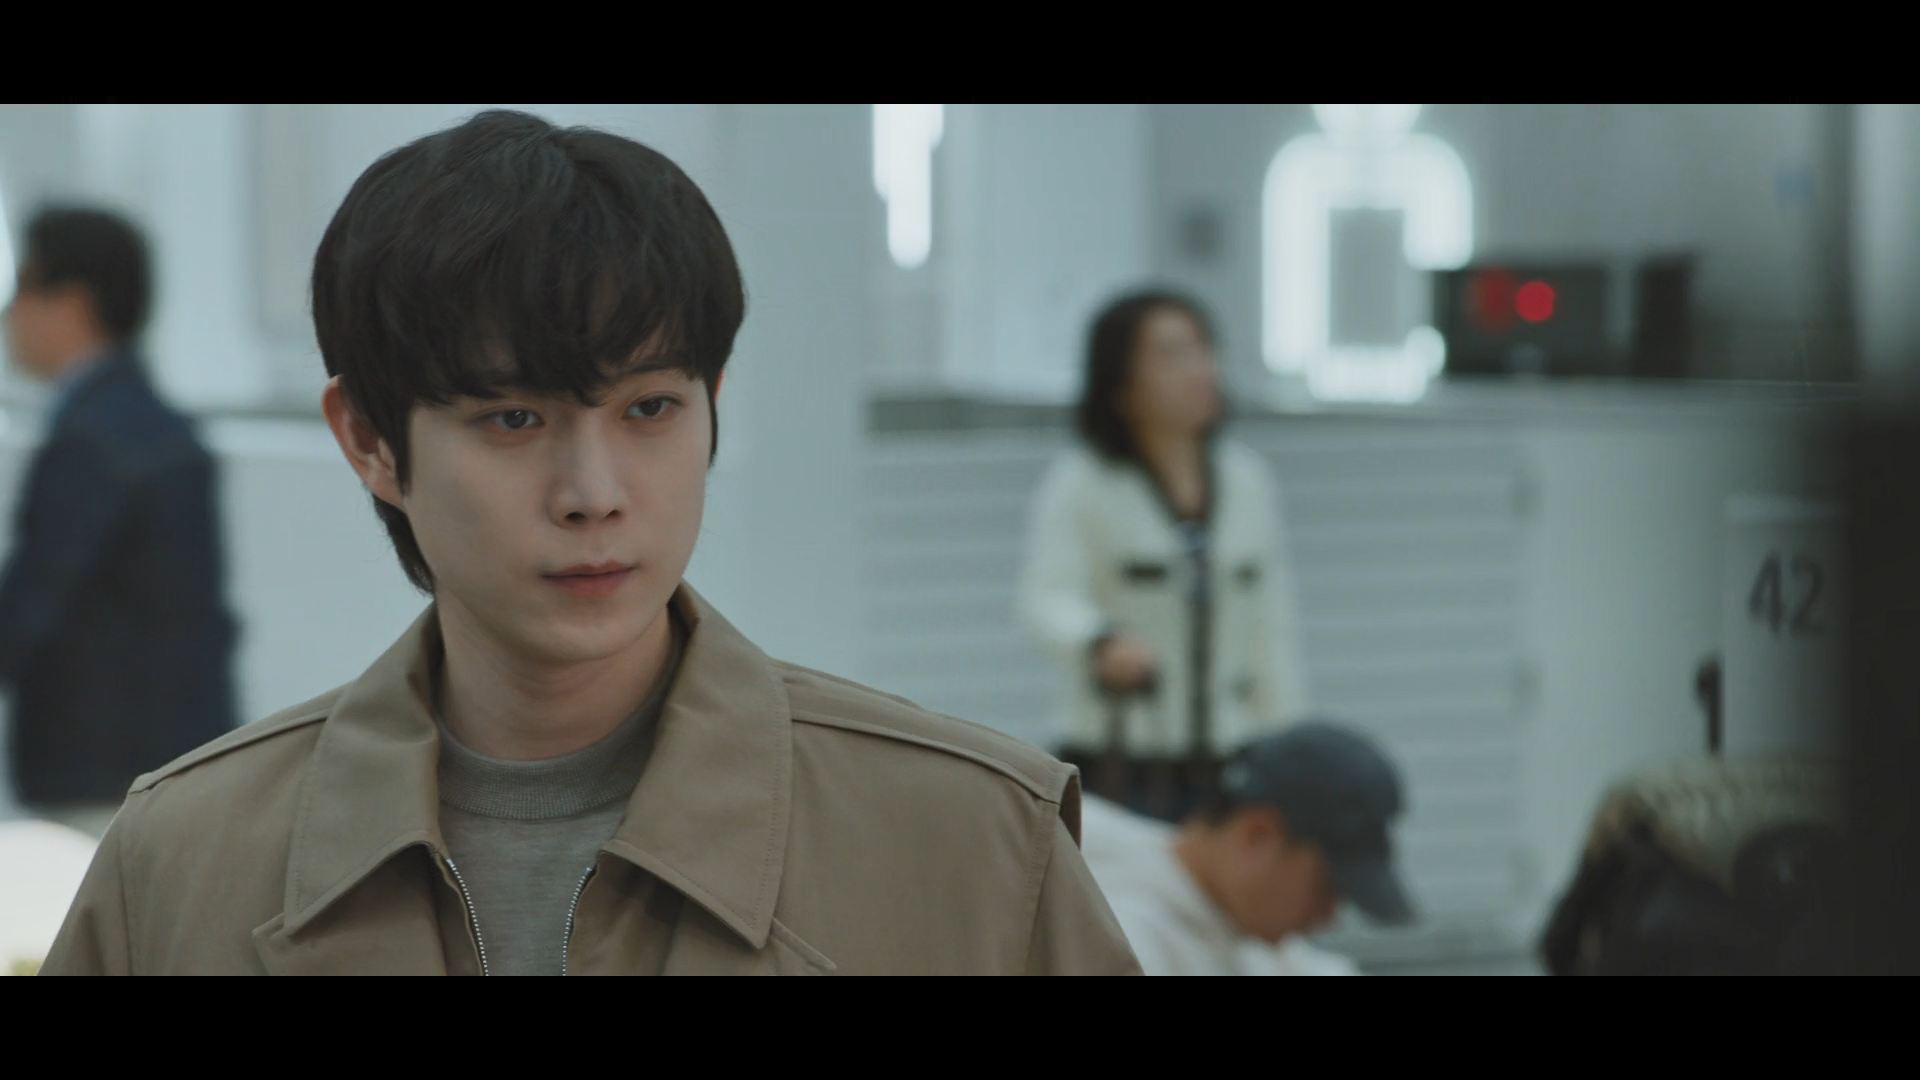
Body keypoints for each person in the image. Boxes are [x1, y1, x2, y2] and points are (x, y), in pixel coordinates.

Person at [42, 111, 1138, 976]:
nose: (594, 495)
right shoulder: (179, 866)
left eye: (650, 409)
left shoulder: (973, 844)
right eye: (514, 419)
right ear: (370, 439)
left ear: (713, 404)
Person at [1019, 290, 1309, 820]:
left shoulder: (1247, 481)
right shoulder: (1082, 483)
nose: (1199, 370)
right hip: (1119, 757)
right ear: (1121, 383)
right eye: (1171, 355)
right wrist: (1100, 641)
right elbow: (1047, 598)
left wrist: (1288, 746)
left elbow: (1272, 626)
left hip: (1230, 755)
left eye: (1203, 349)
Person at [0, 207, 236, 838]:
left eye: (22, 289)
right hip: (174, 763)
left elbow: (34, 603)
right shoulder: (158, 425)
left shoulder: (91, 441)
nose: (10, 315)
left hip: (99, 777)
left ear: (73, 302)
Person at [1080, 723, 1413, 975]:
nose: (1329, 917)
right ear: (1258, 834)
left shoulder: (1224, 916)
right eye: (1327, 888)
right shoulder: (1119, 936)